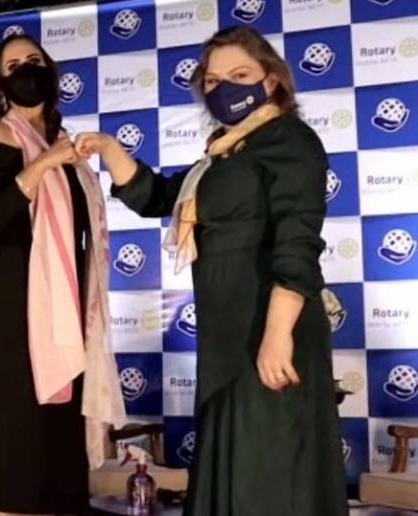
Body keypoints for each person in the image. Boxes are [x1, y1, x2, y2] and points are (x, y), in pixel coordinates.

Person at [75, 26, 348, 515]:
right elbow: (159, 197)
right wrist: (110, 149)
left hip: (269, 327)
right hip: (226, 335)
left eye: (239, 75)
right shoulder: (222, 155)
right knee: (234, 472)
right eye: (214, 81)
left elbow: (297, 243)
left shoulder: (290, 140)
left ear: (271, 80)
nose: (225, 88)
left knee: (266, 475)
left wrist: (277, 334)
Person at [0, 34, 125, 515]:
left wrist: (60, 155)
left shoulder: (63, 144)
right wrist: (44, 164)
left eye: (34, 60)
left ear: (51, 73)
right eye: (14, 66)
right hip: (9, 308)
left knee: (54, 439)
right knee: (11, 433)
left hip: (60, 305)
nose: (26, 70)